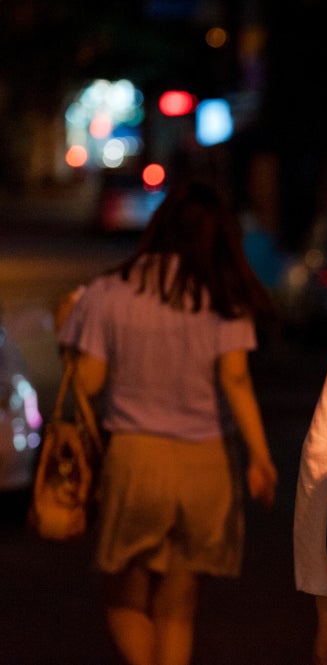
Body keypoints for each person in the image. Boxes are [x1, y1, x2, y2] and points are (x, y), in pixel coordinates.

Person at [58, 177, 279, 665]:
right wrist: (260, 458)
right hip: (207, 467)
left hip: (137, 463)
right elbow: (237, 381)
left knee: (124, 603)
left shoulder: (110, 291)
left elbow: (88, 384)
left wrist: (68, 334)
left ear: (159, 227)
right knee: (178, 614)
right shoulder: (222, 296)